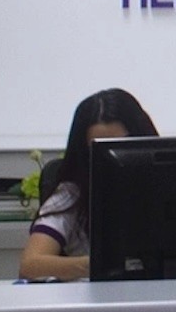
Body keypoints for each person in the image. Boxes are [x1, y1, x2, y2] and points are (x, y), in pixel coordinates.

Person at [18, 88, 158, 281]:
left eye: (121, 147)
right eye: (101, 151)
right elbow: (31, 265)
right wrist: (102, 265)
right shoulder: (73, 194)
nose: (114, 160)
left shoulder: (170, 185)